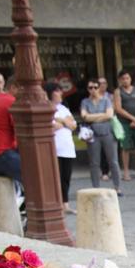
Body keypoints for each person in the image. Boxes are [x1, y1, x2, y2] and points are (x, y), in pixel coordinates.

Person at [80, 78, 121, 195]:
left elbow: (109, 115)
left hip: (108, 132)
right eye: (90, 88)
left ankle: (117, 187)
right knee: (94, 162)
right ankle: (96, 187)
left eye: (95, 87)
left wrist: (92, 117)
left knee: (113, 161)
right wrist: (101, 116)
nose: (93, 90)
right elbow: (84, 116)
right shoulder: (85, 102)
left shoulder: (106, 100)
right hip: (93, 135)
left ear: (99, 88)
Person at [46, 82, 77, 214]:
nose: (60, 94)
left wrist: (62, 120)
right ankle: (56, 203)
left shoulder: (63, 109)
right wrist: (63, 122)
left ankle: (65, 204)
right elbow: (51, 126)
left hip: (67, 148)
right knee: (55, 178)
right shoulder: (46, 107)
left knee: (66, 177)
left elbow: (73, 125)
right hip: (54, 148)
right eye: (57, 91)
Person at [115, 69, 135, 181]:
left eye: (127, 78)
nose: (125, 81)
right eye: (123, 79)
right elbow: (118, 108)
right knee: (125, 147)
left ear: (131, 79)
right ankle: (126, 172)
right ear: (120, 80)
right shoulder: (118, 92)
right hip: (124, 122)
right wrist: (132, 118)